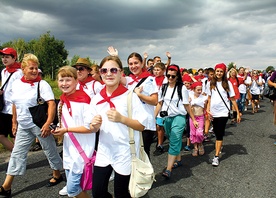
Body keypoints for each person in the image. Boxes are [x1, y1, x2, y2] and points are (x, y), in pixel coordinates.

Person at [0, 53, 63, 197]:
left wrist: (48, 124)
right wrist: (14, 122)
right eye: (31, 68)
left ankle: (57, 174)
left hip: (38, 125)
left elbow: (51, 104)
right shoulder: (17, 84)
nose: (35, 71)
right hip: (23, 125)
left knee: (49, 150)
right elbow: (15, 103)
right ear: (23, 69)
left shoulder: (42, 84)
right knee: (17, 154)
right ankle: (7, 185)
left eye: (36, 68)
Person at [91, 55, 148, 198]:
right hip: (104, 150)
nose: (109, 74)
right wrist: (94, 125)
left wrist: (121, 118)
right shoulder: (97, 98)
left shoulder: (130, 96)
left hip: (125, 151)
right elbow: (93, 127)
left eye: (113, 70)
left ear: (121, 72)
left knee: (121, 193)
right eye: (104, 70)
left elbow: (141, 126)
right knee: (97, 192)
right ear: (100, 73)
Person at [52, 66, 99, 198]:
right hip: (69, 152)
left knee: (72, 190)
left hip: (81, 152)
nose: (64, 83)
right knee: (78, 189)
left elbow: (91, 127)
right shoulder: (62, 101)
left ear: (76, 81)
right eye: (61, 80)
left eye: (68, 80)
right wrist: (59, 129)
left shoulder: (84, 101)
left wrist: (66, 129)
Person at [155, 64, 198, 178]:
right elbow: (160, 103)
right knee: (173, 138)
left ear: (177, 77)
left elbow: (186, 105)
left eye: (173, 76)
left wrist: (193, 119)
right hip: (167, 118)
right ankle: (178, 159)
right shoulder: (163, 87)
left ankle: (168, 169)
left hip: (179, 117)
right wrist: (153, 117)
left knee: (174, 140)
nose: (170, 78)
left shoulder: (182, 88)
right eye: (168, 75)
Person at [122, 52, 158, 159]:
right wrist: (115, 57)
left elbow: (154, 101)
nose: (133, 66)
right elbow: (116, 76)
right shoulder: (129, 80)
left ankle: (146, 175)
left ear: (142, 63)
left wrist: (139, 94)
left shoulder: (150, 80)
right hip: (132, 121)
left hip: (145, 123)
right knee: (131, 151)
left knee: (143, 153)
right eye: (130, 64)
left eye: (136, 63)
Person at [206, 63, 241, 167]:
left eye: (221, 71)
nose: (219, 73)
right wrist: (208, 110)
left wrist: (237, 113)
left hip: (223, 112)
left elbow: (233, 99)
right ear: (215, 71)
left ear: (224, 72)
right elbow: (209, 98)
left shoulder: (227, 83)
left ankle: (216, 156)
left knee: (219, 132)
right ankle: (219, 145)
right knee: (216, 131)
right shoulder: (210, 83)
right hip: (213, 112)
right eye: (217, 71)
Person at [0, 47, 23, 151]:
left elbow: (20, 91)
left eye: (7, 57)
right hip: (4, 108)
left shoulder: (18, 73)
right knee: (1, 135)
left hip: (14, 109)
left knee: (15, 136)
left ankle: (19, 159)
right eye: (3, 57)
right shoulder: (4, 71)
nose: (4, 59)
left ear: (14, 58)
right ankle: (17, 156)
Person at [189, 81, 207, 156]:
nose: (200, 91)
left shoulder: (204, 97)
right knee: (193, 133)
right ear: (193, 89)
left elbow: (205, 108)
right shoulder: (190, 96)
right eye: (198, 90)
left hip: (200, 117)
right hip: (192, 117)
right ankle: (195, 147)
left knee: (199, 133)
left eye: (201, 89)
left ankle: (200, 144)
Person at [153, 62, 167, 155]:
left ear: (163, 71)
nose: (156, 72)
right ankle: (160, 138)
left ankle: (160, 144)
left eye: (158, 70)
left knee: (160, 126)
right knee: (155, 126)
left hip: (163, 106)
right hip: (153, 105)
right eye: (155, 70)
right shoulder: (152, 80)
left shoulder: (166, 80)